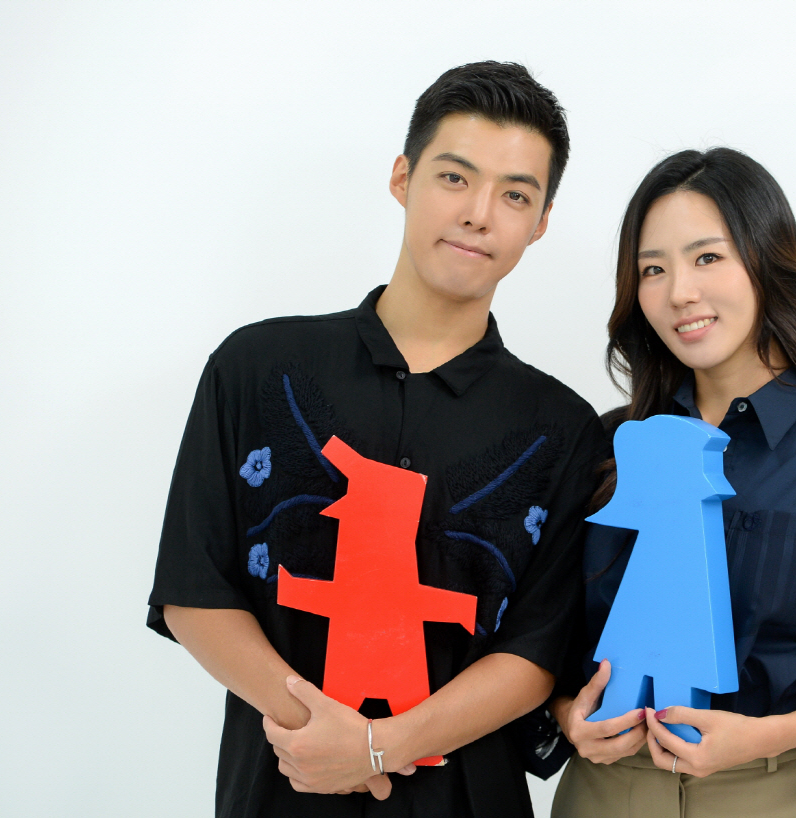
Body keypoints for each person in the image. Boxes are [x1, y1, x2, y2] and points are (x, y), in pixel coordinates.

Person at [147, 61, 608, 818]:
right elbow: (194, 590)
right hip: (280, 786)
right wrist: (321, 735)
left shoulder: (561, 428)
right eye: (454, 178)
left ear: (541, 222)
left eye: (515, 195)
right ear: (403, 177)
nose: (479, 214)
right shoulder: (257, 368)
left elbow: (534, 650)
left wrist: (377, 747)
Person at [548, 148, 796, 817]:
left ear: (767, 260)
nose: (680, 292)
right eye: (653, 269)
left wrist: (767, 736)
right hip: (604, 793)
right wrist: (568, 713)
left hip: (770, 792)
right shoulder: (612, 443)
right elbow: (548, 633)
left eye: (707, 257)